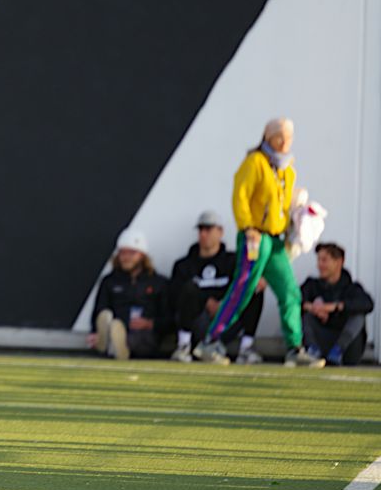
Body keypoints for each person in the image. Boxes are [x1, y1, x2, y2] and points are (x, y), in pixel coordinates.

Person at [194, 118, 323, 367]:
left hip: (275, 241)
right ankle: (210, 340)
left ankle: (295, 348)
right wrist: (247, 226)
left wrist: (297, 222)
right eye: (280, 136)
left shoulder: (288, 170)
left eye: (288, 137)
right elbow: (240, 195)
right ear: (268, 137)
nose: (285, 142)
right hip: (255, 236)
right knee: (242, 289)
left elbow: (283, 207)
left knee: (289, 291)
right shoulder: (255, 163)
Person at [168, 211, 266, 364]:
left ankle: (246, 348)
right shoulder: (183, 265)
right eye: (201, 230)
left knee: (253, 286)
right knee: (187, 288)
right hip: (198, 321)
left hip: (227, 320)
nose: (203, 234)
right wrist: (206, 302)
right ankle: (183, 346)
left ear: (220, 232)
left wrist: (224, 306)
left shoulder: (234, 261)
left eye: (208, 229)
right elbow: (174, 296)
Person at [90, 229, 169, 360]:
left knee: (139, 337)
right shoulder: (109, 281)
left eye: (132, 253)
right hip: (117, 323)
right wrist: (95, 332)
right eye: (122, 253)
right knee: (109, 321)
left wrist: (150, 324)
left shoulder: (159, 282)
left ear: (142, 255)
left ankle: (117, 346)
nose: (126, 257)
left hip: (145, 334)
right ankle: (109, 341)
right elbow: (99, 310)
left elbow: (169, 317)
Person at [300, 242, 375, 365]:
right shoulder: (311, 285)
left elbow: (368, 304)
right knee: (305, 315)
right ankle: (312, 351)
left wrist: (335, 307)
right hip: (321, 345)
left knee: (358, 315)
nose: (319, 265)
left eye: (324, 260)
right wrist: (313, 308)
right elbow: (294, 300)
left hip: (347, 350)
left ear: (339, 262)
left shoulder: (352, 288)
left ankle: (337, 351)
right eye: (318, 260)